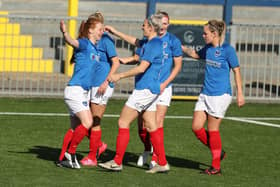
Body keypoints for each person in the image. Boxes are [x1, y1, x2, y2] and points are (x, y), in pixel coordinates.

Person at [105, 11, 183, 169]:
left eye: (145, 25)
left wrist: (119, 76)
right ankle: (162, 162)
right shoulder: (153, 43)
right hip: (152, 89)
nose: (142, 27)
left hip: (145, 89)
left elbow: (141, 68)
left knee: (123, 121)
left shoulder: (153, 44)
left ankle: (117, 162)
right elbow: (135, 44)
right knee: (152, 125)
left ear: (152, 28)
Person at [182, 19, 245, 175]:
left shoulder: (227, 50)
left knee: (212, 129)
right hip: (205, 93)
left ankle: (216, 166)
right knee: (196, 127)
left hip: (220, 95)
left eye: (205, 33)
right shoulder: (208, 49)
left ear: (214, 33)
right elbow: (196, 55)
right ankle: (218, 152)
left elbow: (236, 71)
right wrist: (181, 48)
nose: (203, 35)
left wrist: (240, 93)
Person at [57, 12, 107, 165]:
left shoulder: (95, 48)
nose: (102, 32)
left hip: (81, 92)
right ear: (90, 30)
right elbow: (72, 42)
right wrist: (65, 32)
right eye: (99, 29)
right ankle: (70, 153)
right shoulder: (85, 43)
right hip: (75, 90)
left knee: (75, 128)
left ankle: (62, 160)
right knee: (87, 122)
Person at [80, 13, 120, 166]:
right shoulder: (91, 41)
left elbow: (115, 62)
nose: (100, 30)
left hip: (102, 85)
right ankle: (98, 146)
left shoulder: (106, 40)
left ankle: (93, 156)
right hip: (92, 84)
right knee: (85, 120)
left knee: (94, 121)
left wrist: (106, 81)